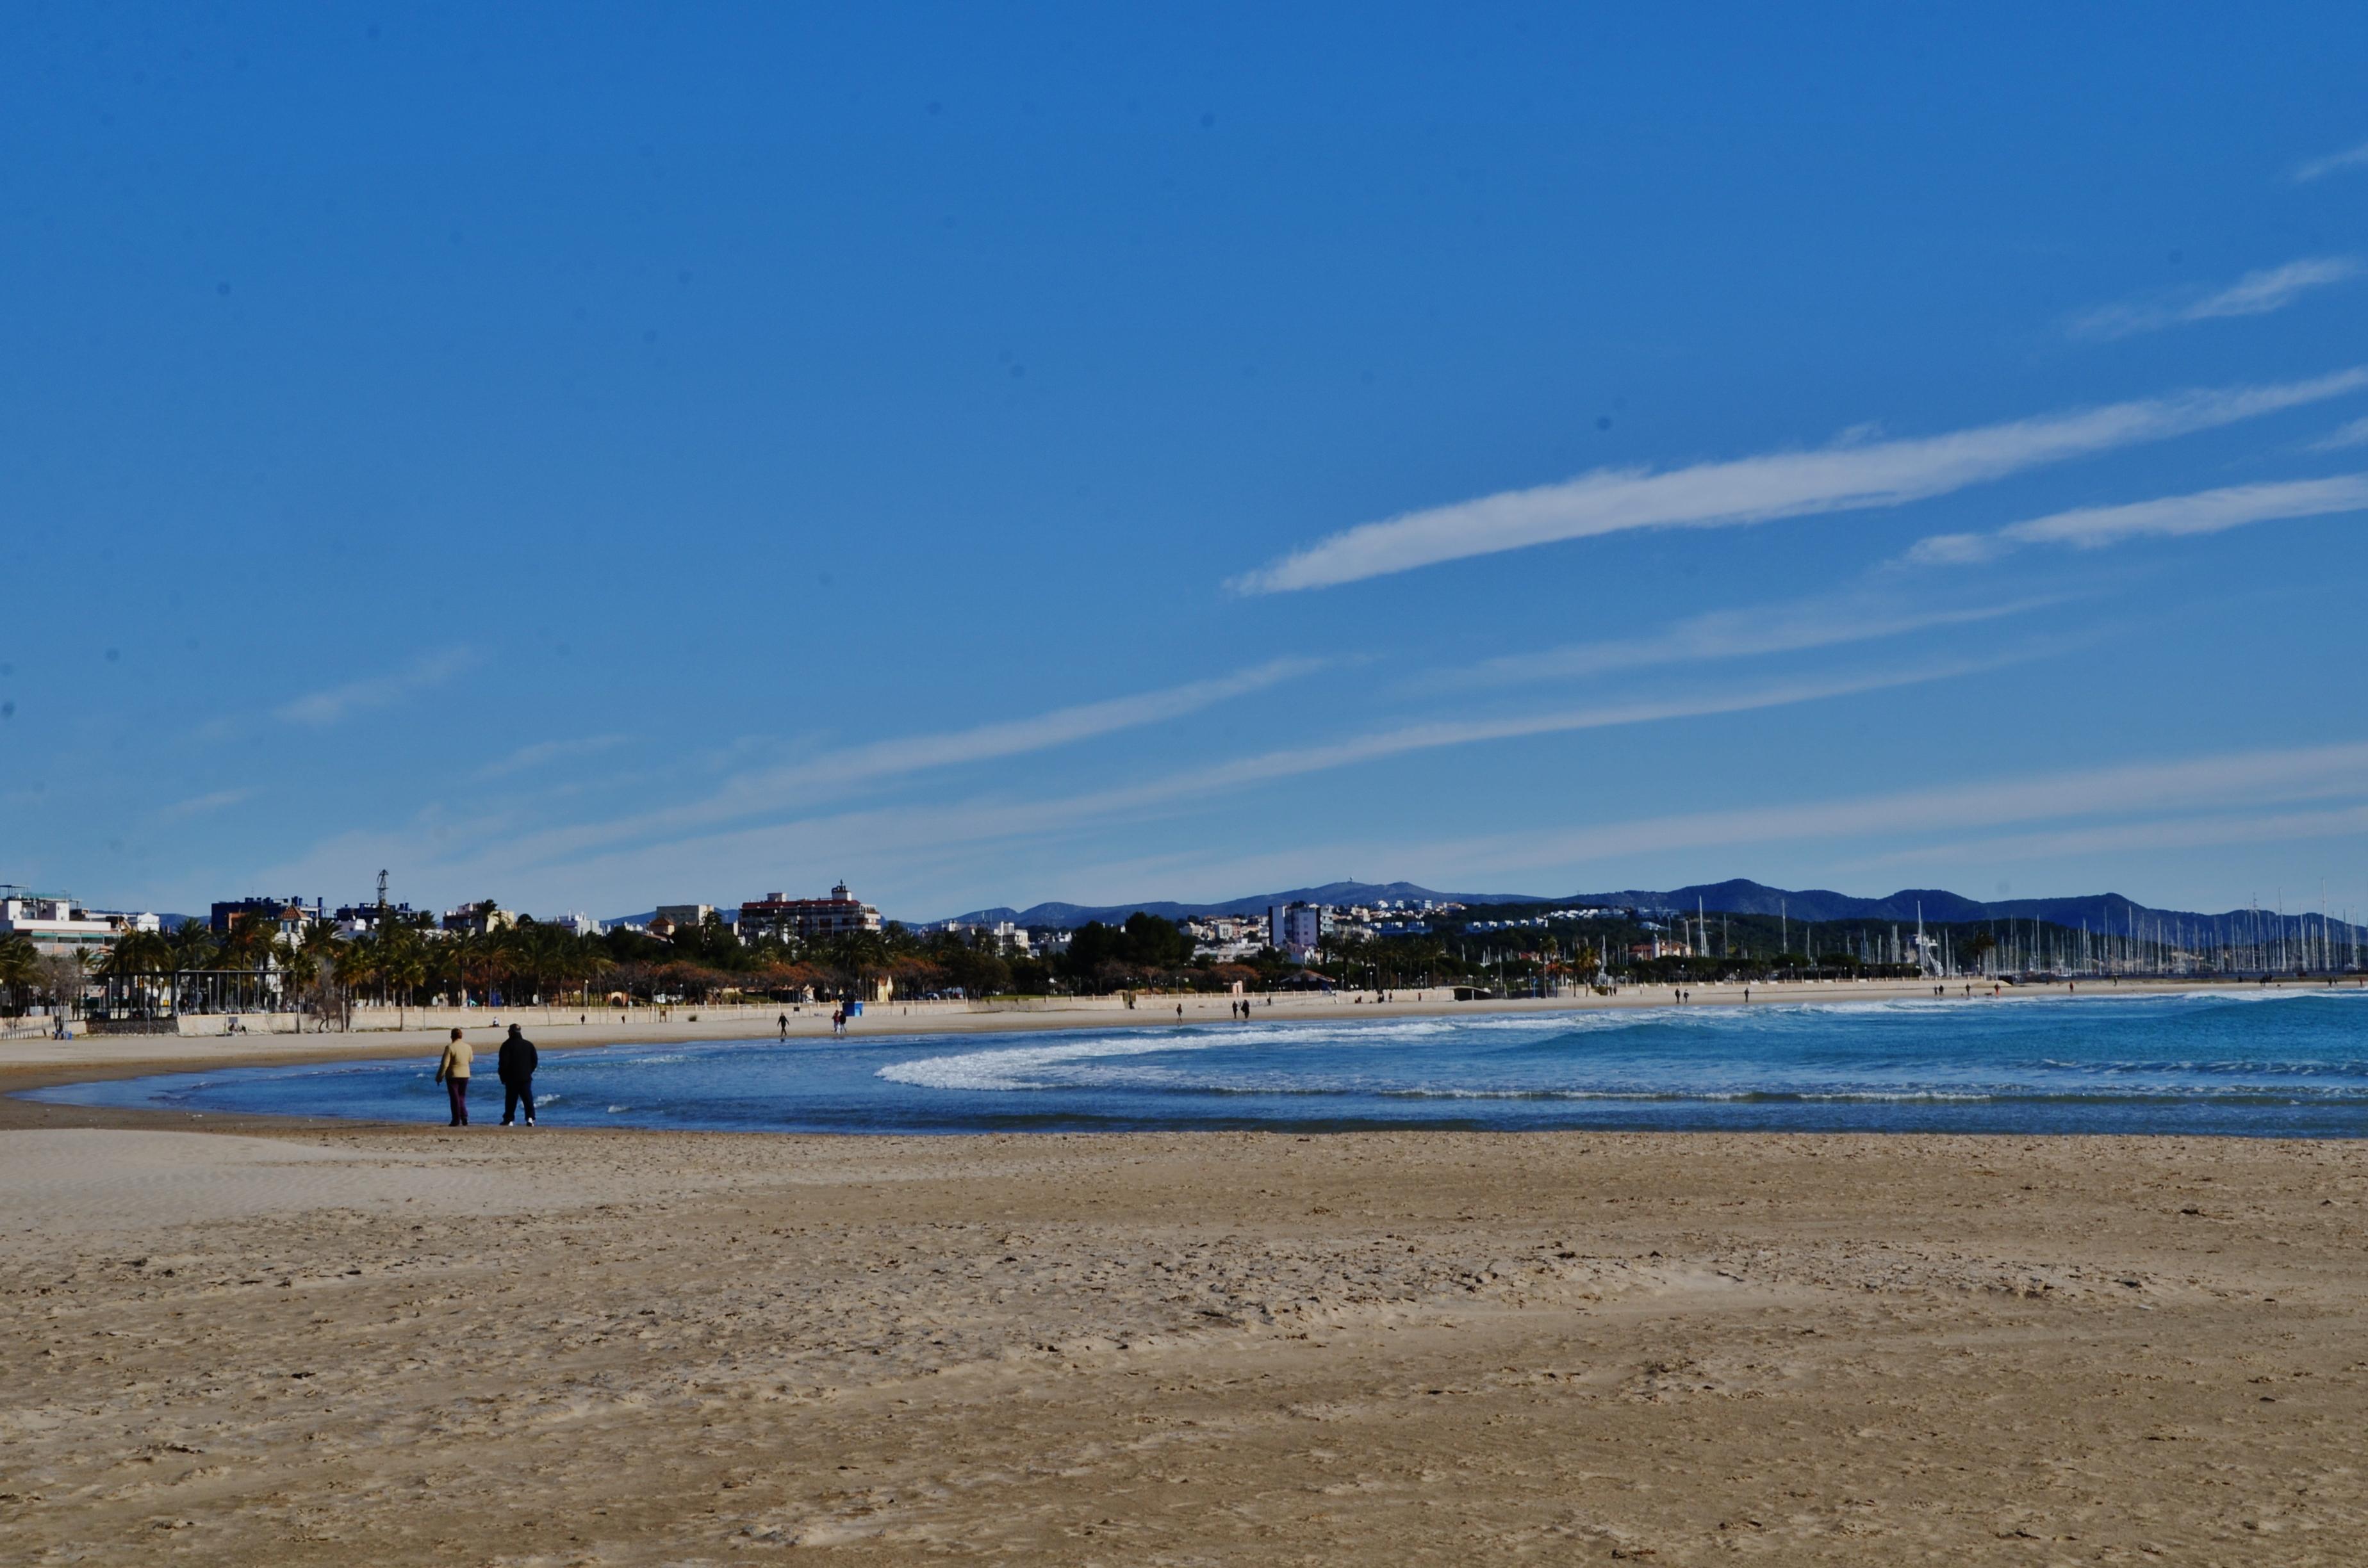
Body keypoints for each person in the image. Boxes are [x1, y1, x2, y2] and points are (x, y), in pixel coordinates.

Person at [498, 1023, 539, 1127]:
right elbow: (534, 1061)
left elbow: (503, 1063)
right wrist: (529, 1071)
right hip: (525, 1077)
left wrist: (503, 1076)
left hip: (511, 1077)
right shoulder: (528, 1045)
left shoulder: (506, 1045)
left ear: (511, 1032)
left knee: (511, 1100)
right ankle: (530, 1118)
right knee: (528, 1099)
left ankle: (509, 1119)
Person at [435, 1028, 473, 1127]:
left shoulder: (450, 1047)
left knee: (455, 1098)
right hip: (465, 1075)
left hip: (453, 1075)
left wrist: (440, 1076)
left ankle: (456, 1119)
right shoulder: (468, 1047)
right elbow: (471, 1059)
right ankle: (464, 1117)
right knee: (461, 1097)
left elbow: (445, 1064)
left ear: (452, 1037)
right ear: (461, 1036)